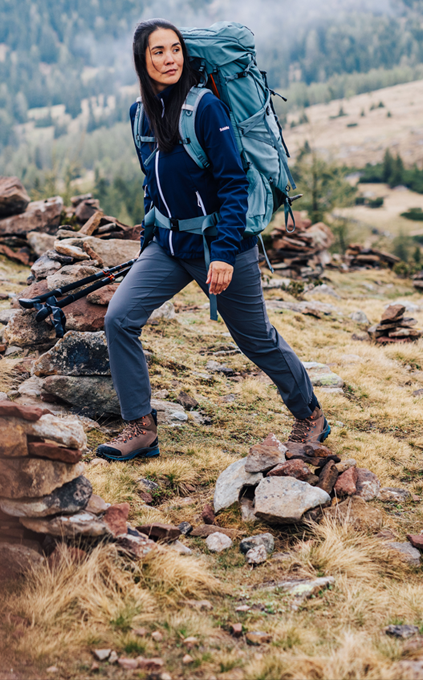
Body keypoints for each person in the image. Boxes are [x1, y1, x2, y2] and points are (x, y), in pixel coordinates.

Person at [97, 19, 329, 462]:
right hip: (167, 245)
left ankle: (310, 414)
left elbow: (233, 182)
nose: (169, 60)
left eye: (175, 50)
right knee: (119, 318)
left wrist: (223, 254)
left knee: (256, 339)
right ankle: (140, 426)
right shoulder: (139, 114)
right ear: (141, 61)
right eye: (158, 52)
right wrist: (149, 239)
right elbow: (153, 181)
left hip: (219, 247)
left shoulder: (206, 109)